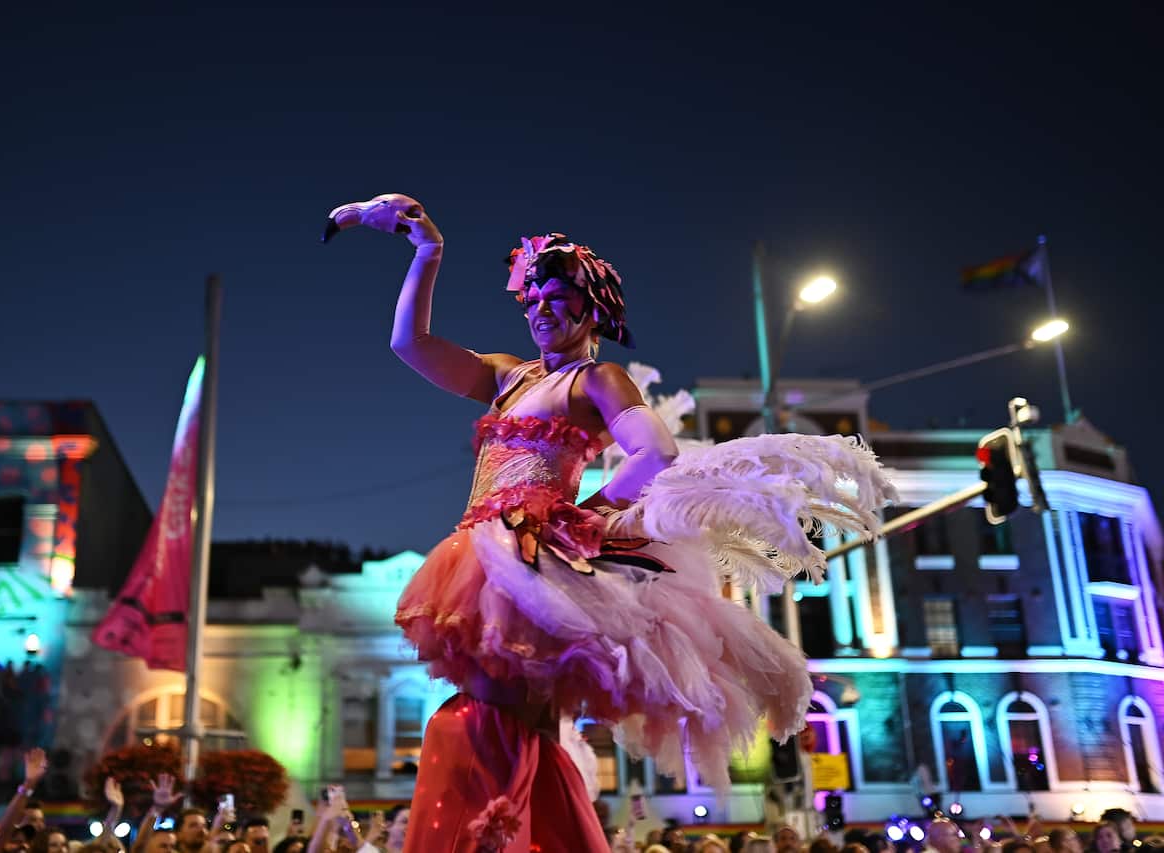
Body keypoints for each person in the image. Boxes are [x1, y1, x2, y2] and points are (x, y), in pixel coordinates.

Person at [324, 195, 893, 852]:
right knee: (490, 722)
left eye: (554, 295)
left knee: (494, 722)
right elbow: (410, 343)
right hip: (480, 554)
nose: (539, 306)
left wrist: (585, 512)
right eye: (530, 295)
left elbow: (656, 451)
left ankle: (510, 834)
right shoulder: (508, 376)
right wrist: (428, 253)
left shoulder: (597, 378)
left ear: (590, 307)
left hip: (531, 555)